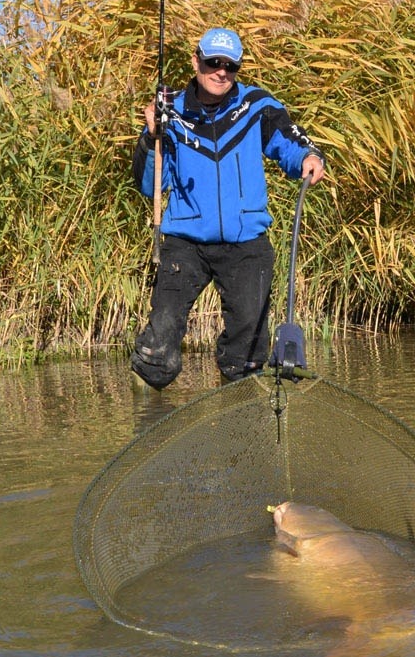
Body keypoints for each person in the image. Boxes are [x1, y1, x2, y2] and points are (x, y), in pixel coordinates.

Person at [130, 27, 326, 389]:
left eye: (230, 66)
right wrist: (151, 136)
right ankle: (149, 416)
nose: (221, 72)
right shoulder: (168, 111)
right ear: (196, 61)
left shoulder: (257, 106)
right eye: (213, 63)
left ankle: (239, 422)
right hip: (184, 243)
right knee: (158, 351)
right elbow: (148, 186)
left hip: (246, 244)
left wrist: (309, 157)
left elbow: (291, 141)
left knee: (246, 357)